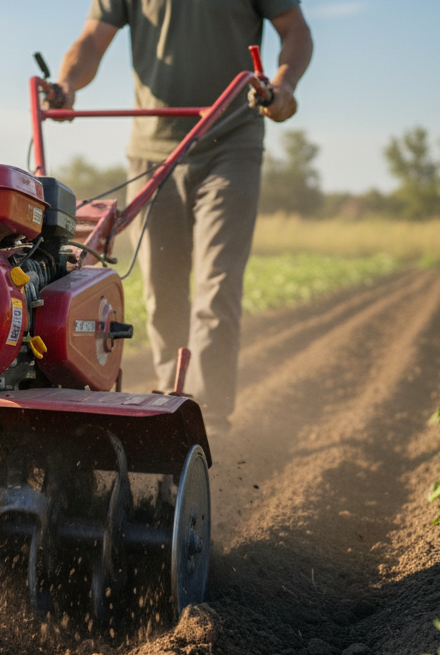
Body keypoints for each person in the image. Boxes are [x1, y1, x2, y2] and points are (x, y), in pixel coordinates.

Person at [47, 0, 313, 432]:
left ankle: (210, 416)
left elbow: (295, 29)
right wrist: (66, 84)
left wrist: (284, 85)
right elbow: (92, 40)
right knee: (160, 288)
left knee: (218, 279)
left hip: (231, 140)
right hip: (155, 148)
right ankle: (172, 401)